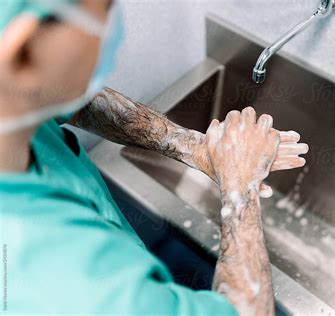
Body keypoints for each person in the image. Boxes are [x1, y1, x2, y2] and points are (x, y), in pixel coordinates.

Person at [0, 0, 308, 315]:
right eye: (104, 7)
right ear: (23, 51)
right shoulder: (76, 285)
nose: (112, 23)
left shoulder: (13, 99)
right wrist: (240, 186)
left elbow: (71, 99)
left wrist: (194, 147)